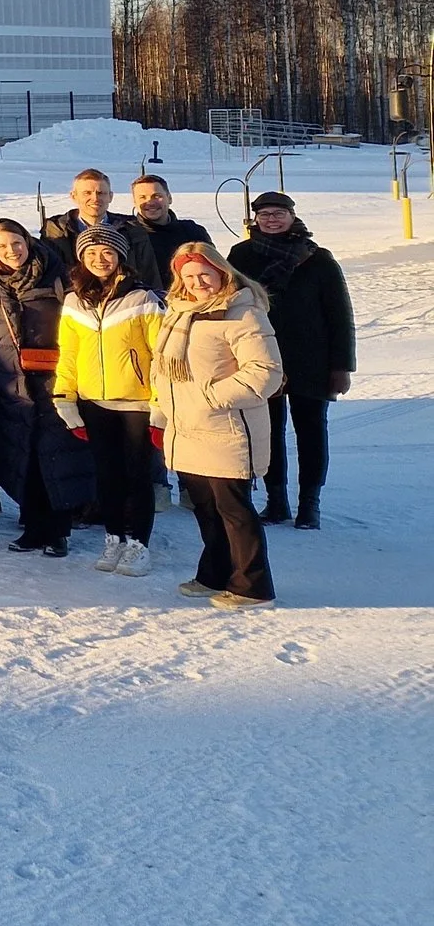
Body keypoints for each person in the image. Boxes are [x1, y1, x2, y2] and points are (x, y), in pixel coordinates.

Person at [153, 243, 283, 608]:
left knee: (234, 512)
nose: (198, 283)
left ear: (221, 272)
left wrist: (211, 397)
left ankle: (253, 586)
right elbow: (161, 370)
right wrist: (161, 411)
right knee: (206, 510)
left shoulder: (243, 313)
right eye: (189, 276)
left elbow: (265, 372)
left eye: (204, 274)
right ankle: (214, 574)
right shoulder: (177, 314)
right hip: (186, 430)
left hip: (226, 429)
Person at [228, 192, 353, 529]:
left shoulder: (317, 258)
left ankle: (309, 503)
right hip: (260, 357)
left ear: (292, 216)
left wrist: (341, 366)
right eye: (265, 214)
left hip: (312, 359)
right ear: (255, 219)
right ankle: (276, 500)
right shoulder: (241, 255)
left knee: (311, 431)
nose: (272, 220)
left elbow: (340, 316)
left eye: (278, 213)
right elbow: (230, 305)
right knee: (267, 431)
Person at [0, 221, 91, 558]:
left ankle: (58, 531)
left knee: (54, 454)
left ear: (27, 241)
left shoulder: (58, 276)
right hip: (11, 381)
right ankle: (33, 526)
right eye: (2, 246)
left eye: (16, 243)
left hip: (56, 377)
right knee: (22, 453)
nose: (11, 251)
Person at [53, 221, 161, 575]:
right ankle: (114, 538)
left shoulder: (142, 299)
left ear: (120, 256)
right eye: (92, 253)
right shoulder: (74, 301)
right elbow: (69, 354)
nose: (100, 259)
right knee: (107, 475)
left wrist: (160, 404)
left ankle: (139, 544)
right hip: (94, 403)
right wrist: (65, 397)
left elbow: (160, 355)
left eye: (107, 252)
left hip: (136, 404)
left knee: (138, 475)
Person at [40, 170, 160, 293]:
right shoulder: (55, 231)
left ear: (110, 196)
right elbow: (50, 276)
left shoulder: (131, 228)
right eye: (87, 193)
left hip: (126, 299)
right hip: (72, 299)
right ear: (74, 196)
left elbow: (149, 274)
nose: (95, 198)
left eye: (101, 193)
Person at [131, 176, 212, 274]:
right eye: (142, 197)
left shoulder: (193, 232)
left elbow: (214, 269)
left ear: (169, 198)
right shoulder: (127, 236)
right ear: (134, 202)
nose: (150, 202)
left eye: (157, 196)